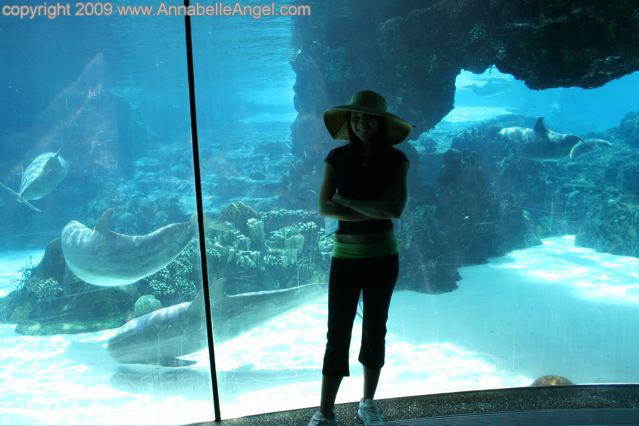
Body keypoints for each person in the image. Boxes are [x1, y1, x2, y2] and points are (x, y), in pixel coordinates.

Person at [308, 90, 412, 426]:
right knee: (336, 333)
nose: (361, 123)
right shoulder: (337, 157)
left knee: (375, 329)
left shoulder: (397, 160)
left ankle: (368, 403)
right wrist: (372, 209)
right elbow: (324, 207)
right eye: (355, 117)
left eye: (368, 118)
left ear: (380, 122)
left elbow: (395, 209)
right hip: (345, 257)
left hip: (383, 257)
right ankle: (325, 412)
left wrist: (347, 202)